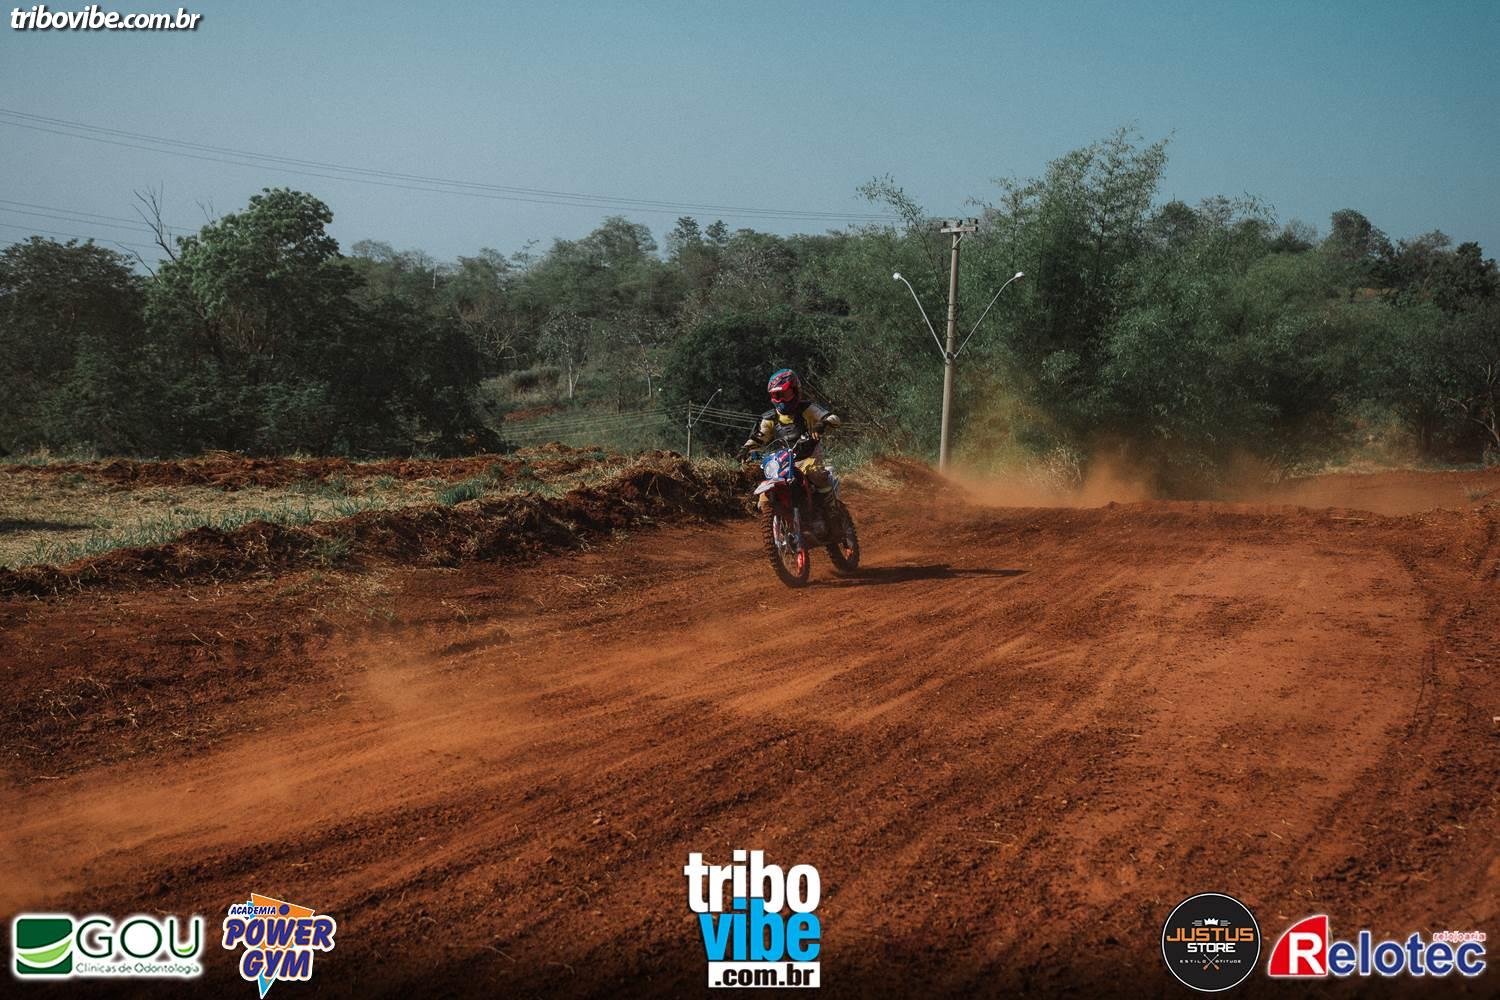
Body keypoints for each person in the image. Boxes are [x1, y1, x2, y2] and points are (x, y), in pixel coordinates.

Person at [739, 368, 842, 520]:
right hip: (783, 460)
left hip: (809, 456)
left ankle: (832, 511)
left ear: (796, 390)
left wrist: (822, 424)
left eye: (785, 394)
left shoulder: (807, 409)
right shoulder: (770, 418)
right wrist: (745, 448)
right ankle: (770, 513)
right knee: (765, 478)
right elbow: (759, 437)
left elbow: (834, 419)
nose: (781, 399)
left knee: (815, 474)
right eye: (777, 395)